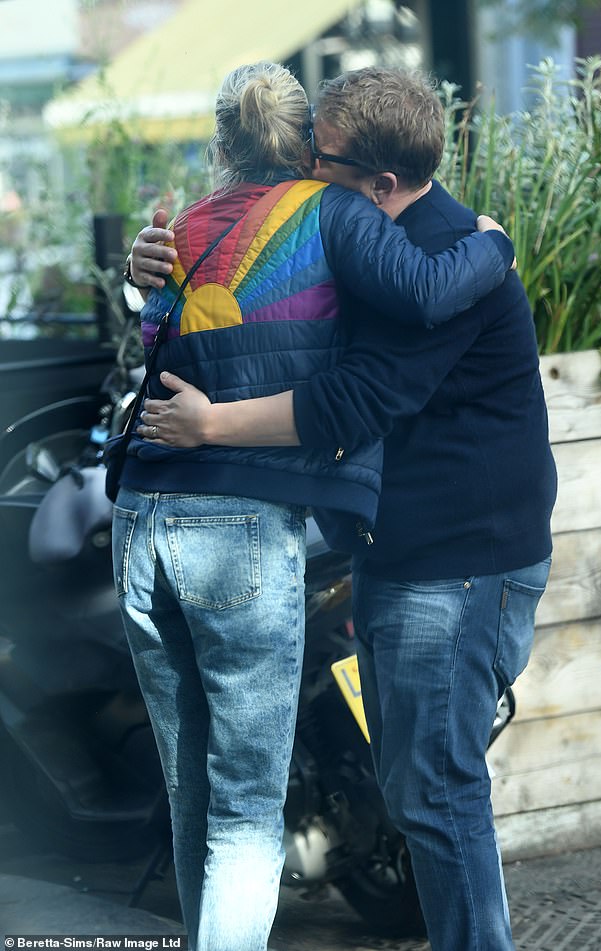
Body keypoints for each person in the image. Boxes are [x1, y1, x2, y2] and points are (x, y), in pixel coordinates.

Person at [132, 66, 557, 951]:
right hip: (410, 551)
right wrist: (151, 271)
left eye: (316, 157)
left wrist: (209, 425)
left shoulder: (439, 260)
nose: (300, 168)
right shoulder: (364, 234)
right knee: (420, 792)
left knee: (435, 796)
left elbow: (349, 400)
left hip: (462, 562)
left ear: (381, 184)